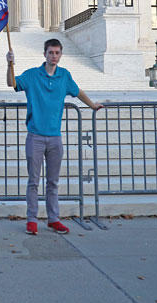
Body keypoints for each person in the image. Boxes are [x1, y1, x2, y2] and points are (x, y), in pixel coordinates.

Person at [6, 38, 102, 236]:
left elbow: (78, 92)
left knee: (53, 182)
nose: (54, 56)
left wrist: (92, 105)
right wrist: (10, 64)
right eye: (51, 52)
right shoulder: (33, 75)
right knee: (33, 181)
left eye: (57, 53)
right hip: (35, 136)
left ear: (61, 55)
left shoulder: (65, 76)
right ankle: (32, 219)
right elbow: (12, 83)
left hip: (55, 137)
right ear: (44, 54)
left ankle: (53, 219)